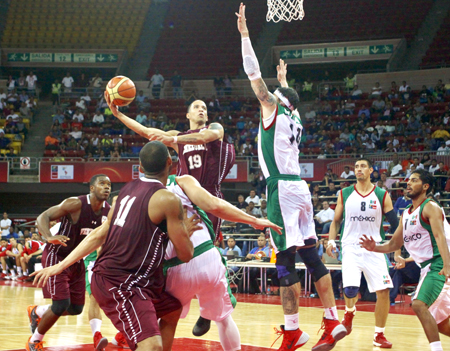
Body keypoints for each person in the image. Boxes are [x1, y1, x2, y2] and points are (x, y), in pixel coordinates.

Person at [236, 4, 347, 351]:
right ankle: (332, 319)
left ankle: (293, 330)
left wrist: (244, 36)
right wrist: (285, 82)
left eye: (274, 93)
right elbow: (291, 101)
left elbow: (253, 75)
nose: (265, 98)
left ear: (277, 100)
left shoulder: (272, 106)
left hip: (281, 189)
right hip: (301, 188)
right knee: (312, 257)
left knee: (283, 262)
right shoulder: (296, 117)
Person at [31, 141, 195, 351]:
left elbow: (99, 234)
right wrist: (184, 233)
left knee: (171, 309)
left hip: (127, 279)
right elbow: (187, 253)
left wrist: (61, 265)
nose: (106, 188)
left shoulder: (125, 192)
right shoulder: (167, 199)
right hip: (121, 283)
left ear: (140, 167)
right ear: (170, 163)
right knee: (151, 346)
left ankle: (126, 338)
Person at [164, 174, 281, 347]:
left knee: (166, 320)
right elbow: (214, 205)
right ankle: (208, 313)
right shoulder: (181, 181)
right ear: (168, 164)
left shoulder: (141, 195)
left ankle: (205, 314)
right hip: (206, 256)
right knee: (224, 318)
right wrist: (254, 220)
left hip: (175, 265)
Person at [360, 169, 450, 351]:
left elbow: (440, 237)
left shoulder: (430, 206)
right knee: (440, 323)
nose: (408, 183)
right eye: (408, 180)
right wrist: (374, 247)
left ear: (425, 186)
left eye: (414, 180)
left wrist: (447, 266)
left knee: (418, 305)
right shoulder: (406, 214)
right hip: (426, 266)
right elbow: (394, 243)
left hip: (439, 263)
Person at [26, 174, 112, 351]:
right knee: (60, 304)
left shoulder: (108, 212)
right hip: (56, 255)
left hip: (76, 260)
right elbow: (43, 216)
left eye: (109, 185)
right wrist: (49, 237)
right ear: (92, 188)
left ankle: (38, 312)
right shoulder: (75, 204)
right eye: (102, 183)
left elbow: (103, 241)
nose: (107, 187)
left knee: (76, 308)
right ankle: (34, 340)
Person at [326, 158, 399, 348]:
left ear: (371, 170)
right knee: (350, 290)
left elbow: (396, 225)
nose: (359, 169)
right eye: (356, 167)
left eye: (363, 166)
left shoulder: (382, 195)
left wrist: (397, 250)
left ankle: (379, 335)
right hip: (351, 246)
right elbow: (335, 221)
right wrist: (331, 241)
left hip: (374, 248)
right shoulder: (345, 193)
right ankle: (349, 312)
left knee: (384, 291)